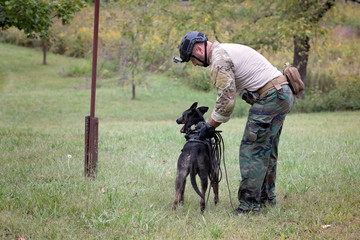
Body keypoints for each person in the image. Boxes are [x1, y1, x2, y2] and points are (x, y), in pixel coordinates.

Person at [173, 31, 294, 214]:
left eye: (192, 59)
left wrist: (209, 127)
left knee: (252, 151)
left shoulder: (219, 59)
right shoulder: (225, 51)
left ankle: (249, 206)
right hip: (280, 94)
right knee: (265, 151)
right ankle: (266, 198)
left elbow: (226, 101)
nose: (195, 64)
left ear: (198, 49)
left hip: (270, 97)